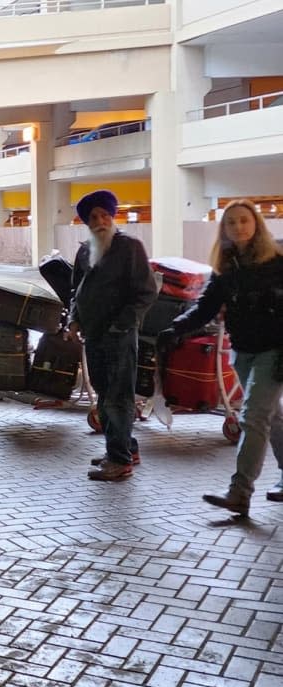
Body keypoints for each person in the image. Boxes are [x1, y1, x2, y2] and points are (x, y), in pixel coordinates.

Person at [158, 200, 283, 516]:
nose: (238, 227)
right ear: (224, 230)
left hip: (274, 351)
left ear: (256, 224)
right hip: (242, 352)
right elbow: (205, 307)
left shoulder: (277, 261)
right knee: (272, 417)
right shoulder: (226, 269)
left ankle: (239, 492)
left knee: (253, 416)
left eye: (244, 220)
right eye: (231, 223)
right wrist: (176, 328)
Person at [67, 189, 157, 482]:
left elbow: (146, 292)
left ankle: (119, 462)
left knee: (117, 398)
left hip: (119, 337)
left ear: (112, 216)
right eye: (93, 217)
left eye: (105, 215)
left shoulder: (129, 247)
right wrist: (74, 320)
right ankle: (125, 448)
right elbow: (76, 291)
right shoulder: (84, 250)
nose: (100, 221)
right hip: (93, 335)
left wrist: (122, 325)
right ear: (87, 222)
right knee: (105, 393)